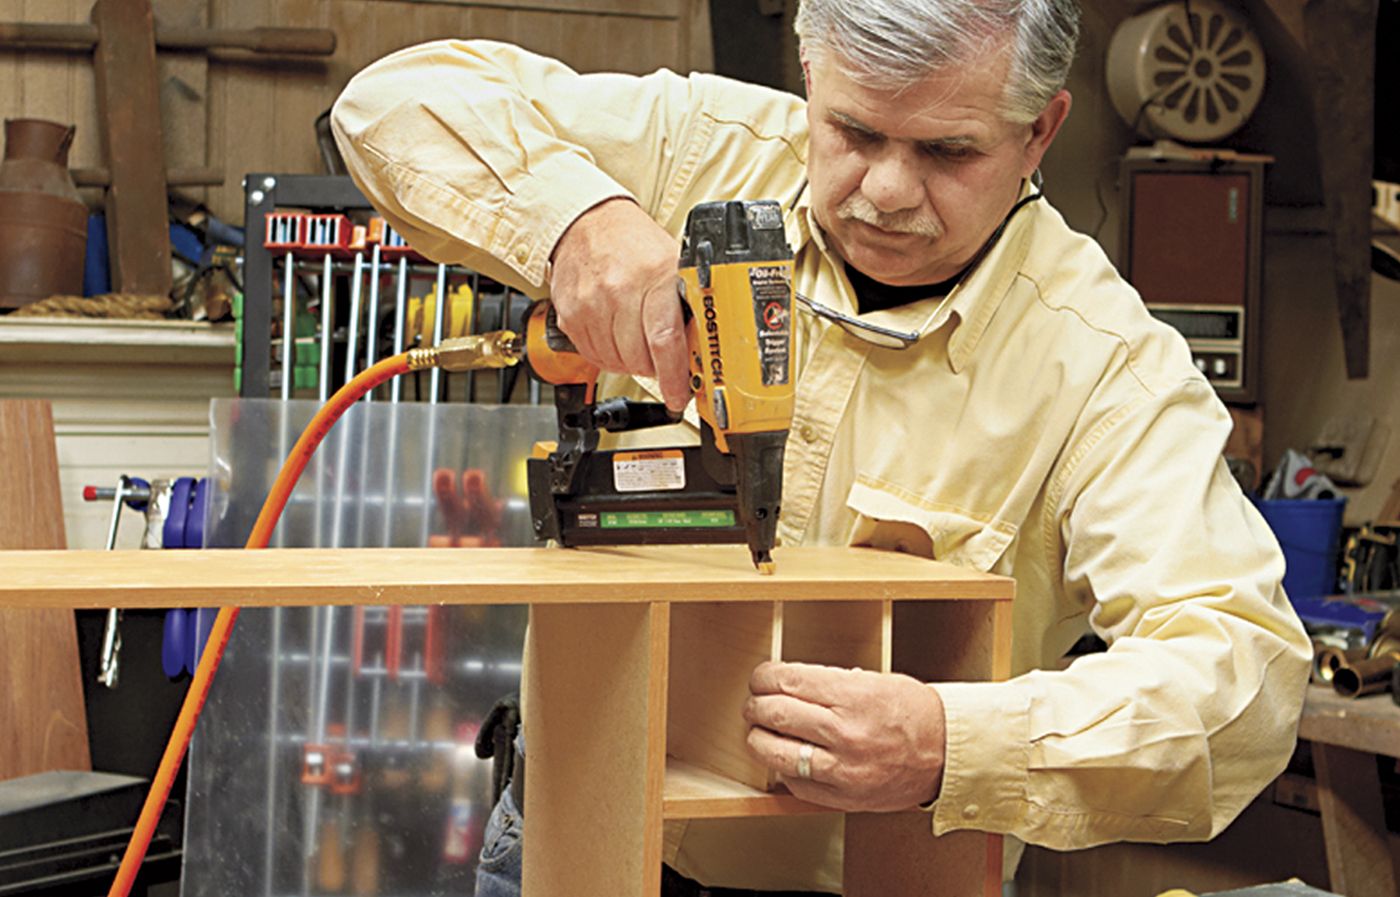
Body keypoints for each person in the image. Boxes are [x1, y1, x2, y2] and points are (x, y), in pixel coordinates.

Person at [331, 1, 1312, 893]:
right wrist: (579, 222)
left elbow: (1243, 678)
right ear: (811, 77)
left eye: (946, 151)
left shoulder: (1100, 366)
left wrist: (952, 743)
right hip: (571, 834)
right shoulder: (698, 152)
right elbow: (390, 104)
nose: (884, 190)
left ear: (1038, 132)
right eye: (851, 131)